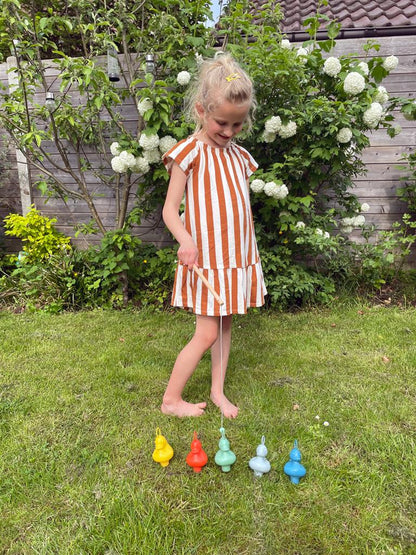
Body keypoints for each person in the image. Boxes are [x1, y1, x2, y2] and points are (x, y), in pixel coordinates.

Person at [161, 53, 267, 418]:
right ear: (201, 110)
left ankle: (217, 391)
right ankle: (171, 400)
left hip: (235, 258)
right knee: (206, 333)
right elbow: (169, 210)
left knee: (224, 327)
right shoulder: (188, 153)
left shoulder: (239, 156)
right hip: (207, 259)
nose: (229, 131)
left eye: (237, 124)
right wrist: (186, 240)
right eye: (222, 122)